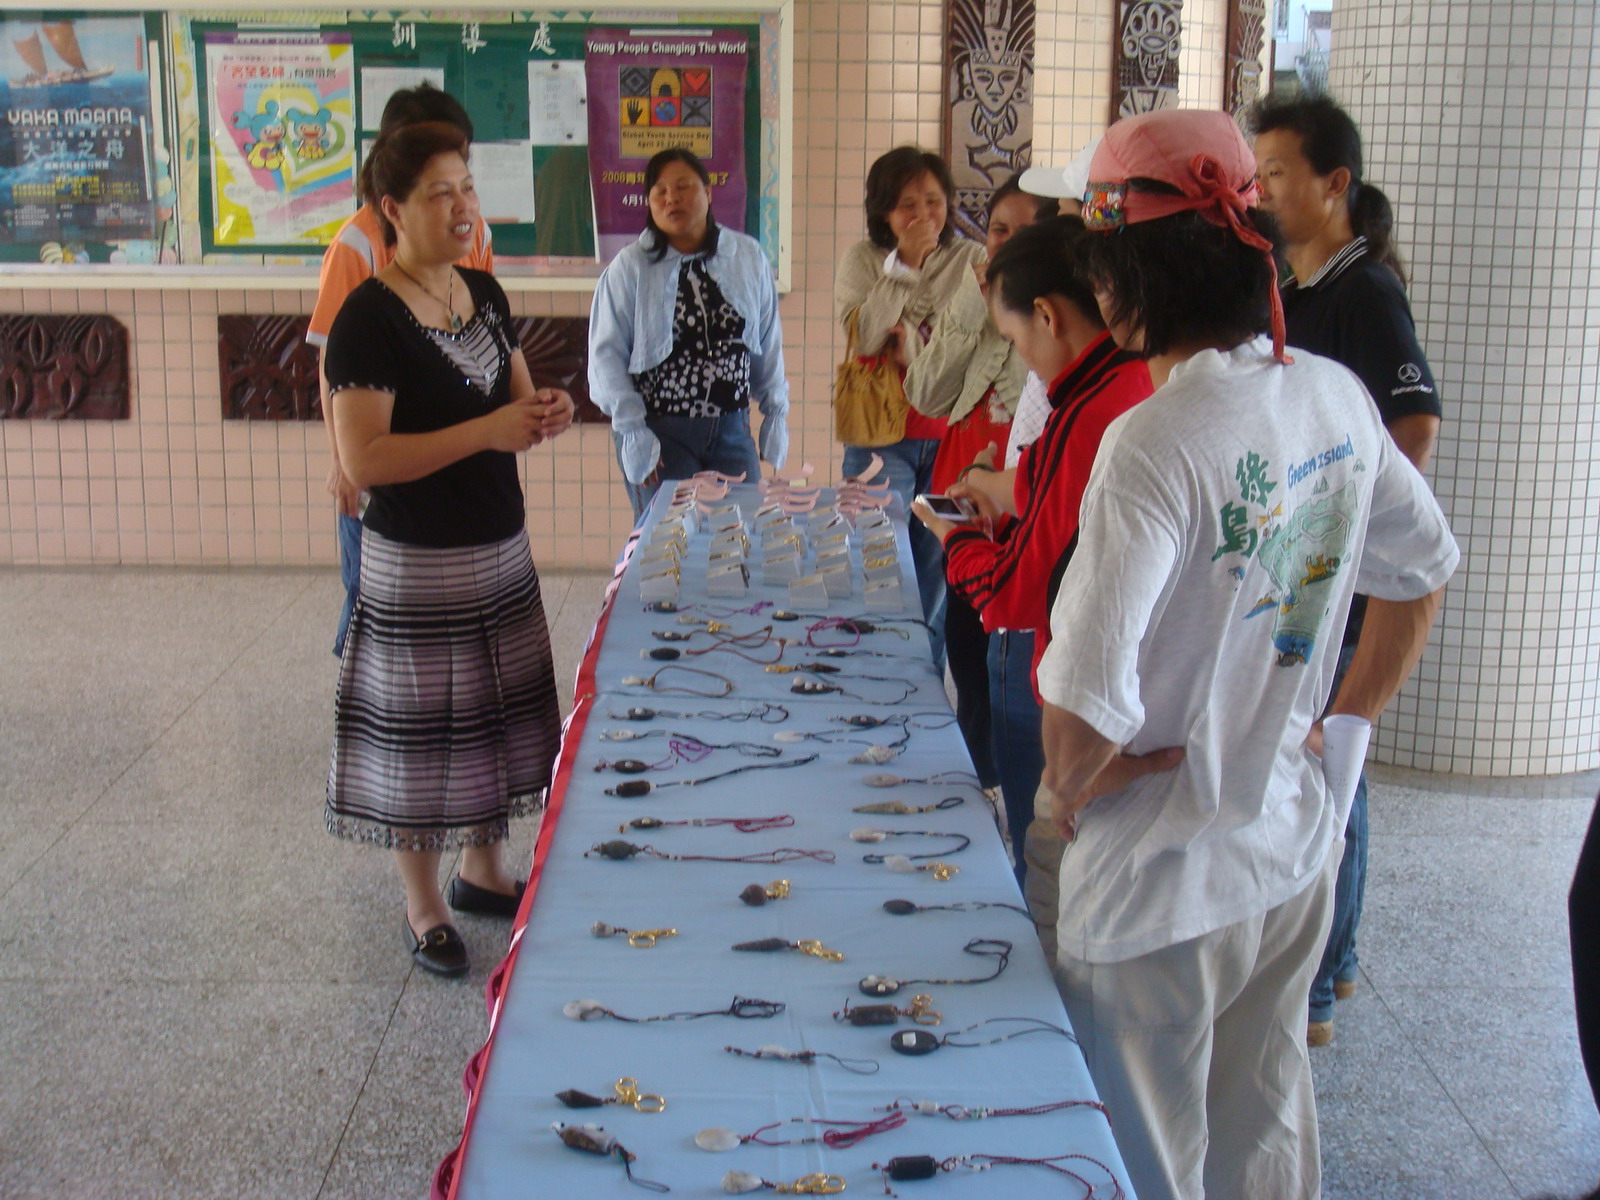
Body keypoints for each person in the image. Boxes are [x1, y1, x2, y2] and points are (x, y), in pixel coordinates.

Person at [1032, 109, 1458, 1199]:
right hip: (1286, 854)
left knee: (1144, 1169)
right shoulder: (1329, 394)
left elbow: (1076, 726)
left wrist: (1080, 781)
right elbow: (1422, 571)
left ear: (1123, 282)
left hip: (1157, 894)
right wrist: (1337, 738)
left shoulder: (1153, 441)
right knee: (1260, 1144)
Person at [322, 121, 575, 977]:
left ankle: (483, 870)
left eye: (467, 187)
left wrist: (544, 413)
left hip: (498, 543)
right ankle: (423, 902)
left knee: (492, 721)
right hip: (417, 559)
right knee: (422, 736)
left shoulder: (484, 292)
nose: (463, 206)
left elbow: (515, 403)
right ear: (393, 209)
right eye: (440, 192)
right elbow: (365, 459)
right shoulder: (367, 317)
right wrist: (487, 432)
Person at [1253, 92, 1444, 1047]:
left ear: (1335, 184)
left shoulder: (1363, 290)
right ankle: (1327, 955)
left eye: (1277, 174)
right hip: (1299, 568)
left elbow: (1414, 425)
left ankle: (1325, 977)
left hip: (1339, 573)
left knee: (1338, 752)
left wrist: (1345, 531)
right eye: (1257, 173)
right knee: (1310, 745)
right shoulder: (1291, 286)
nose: (1262, 190)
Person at [911, 215, 1152, 903]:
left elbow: (1012, 594)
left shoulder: (1087, 411)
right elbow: (1052, 487)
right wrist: (993, 490)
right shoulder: (1131, 377)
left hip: (1088, 702)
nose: (1026, 364)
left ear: (1047, 315)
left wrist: (954, 535)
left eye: (1017, 342)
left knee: (1050, 871)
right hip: (1142, 700)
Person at [306, 83, 494, 658]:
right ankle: (363, 697)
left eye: (460, 160)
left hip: (454, 468)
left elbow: (485, 334)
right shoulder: (359, 244)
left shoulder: (474, 232)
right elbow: (331, 360)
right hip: (382, 463)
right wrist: (344, 463)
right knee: (372, 604)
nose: (458, 194)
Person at [903, 175, 1057, 792]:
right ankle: (978, 790)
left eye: (1028, 232)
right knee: (966, 655)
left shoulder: (1059, 318)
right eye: (998, 230)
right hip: (961, 501)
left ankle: (1009, 795)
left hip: (1020, 509)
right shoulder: (974, 299)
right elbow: (923, 392)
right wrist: (975, 302)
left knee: (1007, 668)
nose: (1009, 245)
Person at [835, 146, 987, 668]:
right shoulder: (862, 260)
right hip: (879, 437)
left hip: (950, 436)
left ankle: (923, 679)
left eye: (933, 201)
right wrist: (904, 265)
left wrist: (917, 349)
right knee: (876, 561)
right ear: (883, 211)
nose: (924, 215)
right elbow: (866, 336)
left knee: (936, 570)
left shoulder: (971, 258)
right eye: (907, 205)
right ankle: (872, 672)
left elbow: (970, 342)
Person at [588, 147, 789, 522]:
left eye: (683, 187)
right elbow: (606, 357)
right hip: (660, 433)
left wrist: (775, 409)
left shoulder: (746, 256)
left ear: (708, 193)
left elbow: (767, 340)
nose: (671, 198)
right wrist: (633, 431)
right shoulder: (630, 267)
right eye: (660, 191)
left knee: (739, 534)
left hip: (732, 428)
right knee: (670, 539)